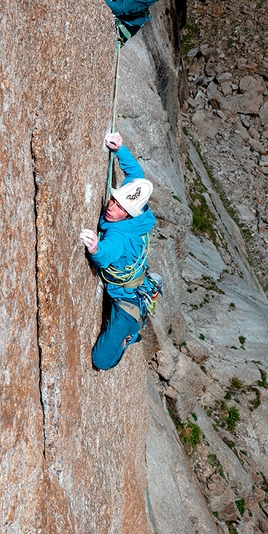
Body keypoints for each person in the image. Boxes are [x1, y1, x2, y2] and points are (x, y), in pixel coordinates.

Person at [80, 132, 156, 370]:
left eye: (120, 207)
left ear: (129, 213)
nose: (112, 208)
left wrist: (94, 247)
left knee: (101, 361)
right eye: (113, 201)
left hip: (125, 300)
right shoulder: (138, 208)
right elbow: (136, 176)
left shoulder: (120, 235)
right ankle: (131, 325)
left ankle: (130, 336)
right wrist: (120, 149)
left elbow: (106, 255)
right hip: (132, 282)